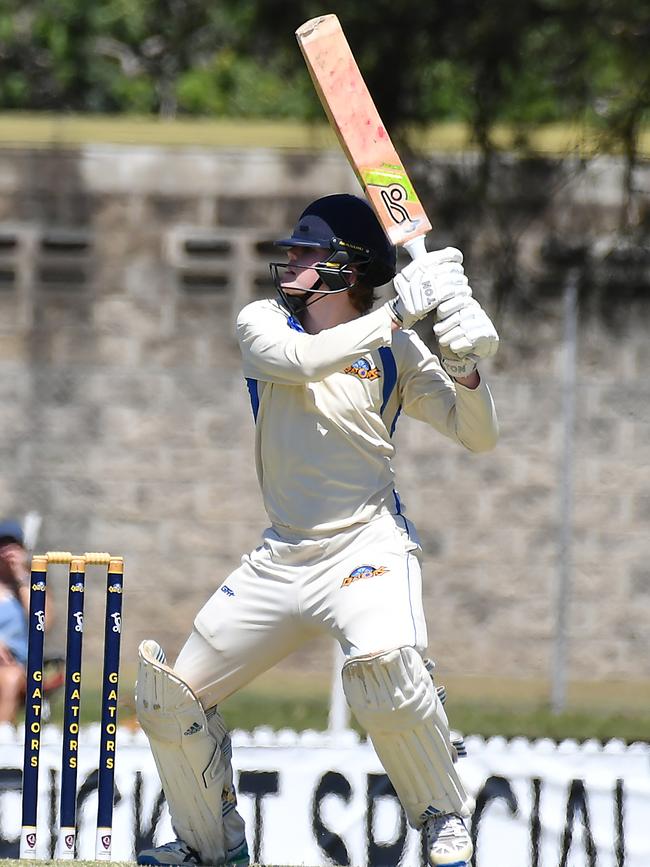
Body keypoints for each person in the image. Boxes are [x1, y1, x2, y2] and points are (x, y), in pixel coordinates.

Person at [136, 194, 499, 867]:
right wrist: (398, 311)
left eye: (308, 250)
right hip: (282, 554)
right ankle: (212, 848)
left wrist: (467, 368)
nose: (292, 259)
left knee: (385, 672)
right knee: (168, 698)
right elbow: (306, 362)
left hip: (366, 544)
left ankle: (446, 820)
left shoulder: (397, 349)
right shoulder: (263, 324)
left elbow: (479, 435)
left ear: (347, 267)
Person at [0, 520, 32, 723]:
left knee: (9, 679)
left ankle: (1, 737)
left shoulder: (32, 584)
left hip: (17, 665)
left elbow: (43, 620)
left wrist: (21, 577)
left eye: (13, 545)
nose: (8, 551)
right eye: (3, 544)